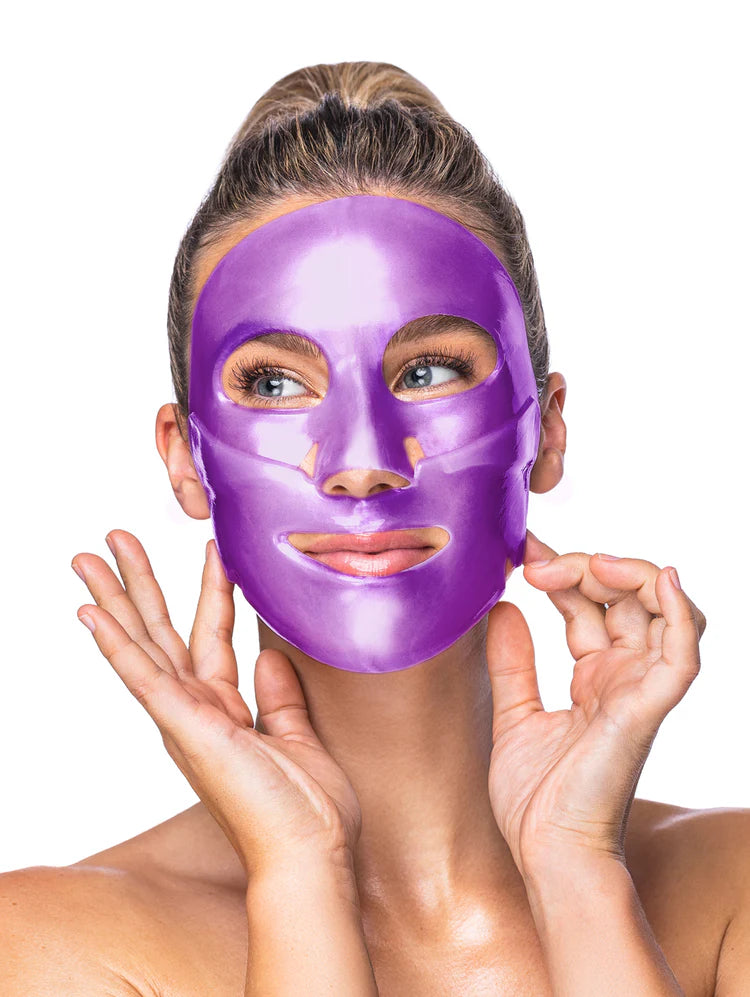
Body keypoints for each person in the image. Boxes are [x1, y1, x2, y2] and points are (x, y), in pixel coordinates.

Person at [1, 60, 745, 996]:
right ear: (185, 457)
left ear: (545, 429)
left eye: (430, 370)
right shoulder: (52, 948)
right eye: (273, 382)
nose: (360, 462)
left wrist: (575, 869)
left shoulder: (735, 895)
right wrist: (300, 874)